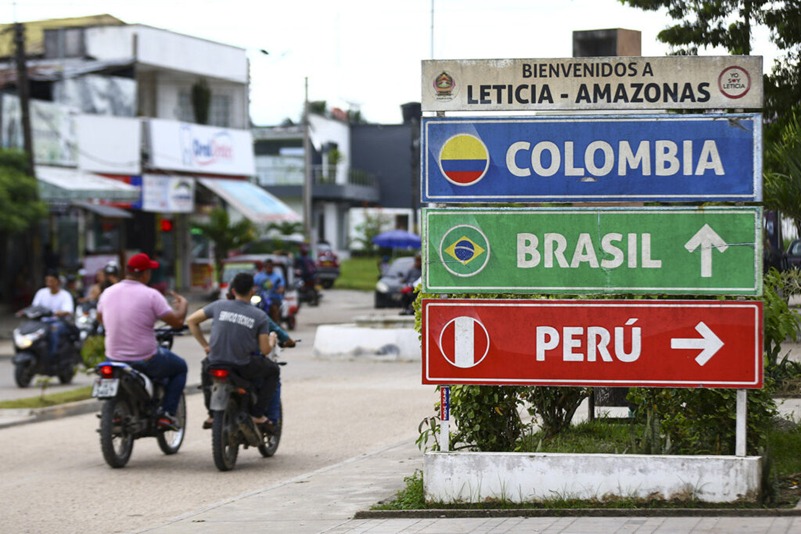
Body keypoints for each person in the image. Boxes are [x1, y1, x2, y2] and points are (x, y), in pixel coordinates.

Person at [187, 272, 294, 430]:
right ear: (252, 291)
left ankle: (211, 414)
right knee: (273, 371)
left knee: (206, 369)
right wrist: (272, 340)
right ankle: (257, 415)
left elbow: (191, 320)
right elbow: (265, 350)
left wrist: (205, 345)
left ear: (233, 290)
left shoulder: (218, 306)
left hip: (215, 362)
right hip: (243, 366)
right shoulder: (259, 316)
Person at [97, 253, 189, 430]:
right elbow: (177, 322)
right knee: (180, 367)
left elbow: (101, 318)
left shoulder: (107, 292)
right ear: (145, 274)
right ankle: (167, 414)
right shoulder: (151, 295)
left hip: (113, 358)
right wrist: (183, 305)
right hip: (145, 359)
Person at [29, 269, 76, 360]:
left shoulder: (65, 295)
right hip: (42, 322)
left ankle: (53, 355)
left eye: (51, 281)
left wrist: (57, 313)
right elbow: (34, 307)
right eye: (47, 281)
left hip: (58, 322)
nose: (49, 283)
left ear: (57, 281)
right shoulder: (41, 293)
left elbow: (68, 311)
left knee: (54, 330)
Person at [254, 258, 285, 323]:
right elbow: (253, 286)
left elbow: (281, 287)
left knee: (274, 308)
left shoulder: (278, 277)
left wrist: (279, 290)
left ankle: (276, 322)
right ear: (264, 267)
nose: (269, 267)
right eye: (267, 266)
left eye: (270, 266)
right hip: (261, 297)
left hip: (273, 298)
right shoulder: (258, 276)